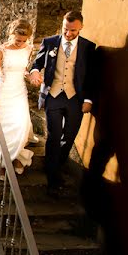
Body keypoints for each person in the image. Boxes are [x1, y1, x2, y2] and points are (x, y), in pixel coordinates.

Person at [28, 11, 98, 198]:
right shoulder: (50, 42)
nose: (68, 34)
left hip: (76, 99)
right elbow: (37, 63)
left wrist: (88, 100)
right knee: (54, 135)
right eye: (65, 29)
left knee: (69, 136)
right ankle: (53, 179)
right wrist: (34, 72)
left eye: (72, 30)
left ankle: (56, 164)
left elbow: (92, 76)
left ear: (81, 27)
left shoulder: (88, 47)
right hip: (53, 95)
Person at [0, 19, 36, 175]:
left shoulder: (29, 49)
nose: (20, 43)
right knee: (6, 128)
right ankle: (2, 162)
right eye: (18, 39)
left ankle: (15, 156)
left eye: (23, 40)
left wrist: (30, 76)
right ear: (11, 34)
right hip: (4, 91)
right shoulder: (0, 51)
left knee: (21, 125)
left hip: (19, 91)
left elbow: (24, 69)